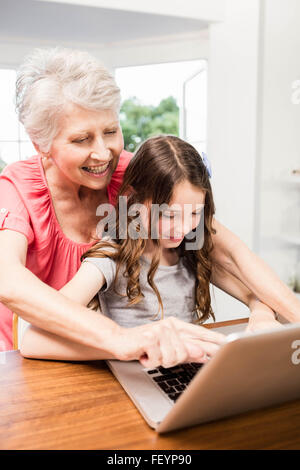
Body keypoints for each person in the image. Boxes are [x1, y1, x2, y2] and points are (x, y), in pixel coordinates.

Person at [0, 47, 299, 361]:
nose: (103, 153)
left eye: (111, 131)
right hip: (25, 361)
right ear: (41, 144)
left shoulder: (135, 178)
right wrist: (123, 338)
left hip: (113, 360)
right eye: (81, 139)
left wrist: (266, 309)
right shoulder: (18, 188)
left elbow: (226, 252)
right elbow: (8, 282)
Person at [19, 136, 295, 367]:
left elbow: (257, 293)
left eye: (195, 213)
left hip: (189, 371)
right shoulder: (112, 256)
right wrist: (133, 344)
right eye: (170, 215)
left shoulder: (190, 250)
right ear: (135, 201)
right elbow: (32, 340)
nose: (184, 227)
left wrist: (260, 314)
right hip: (133, 380)